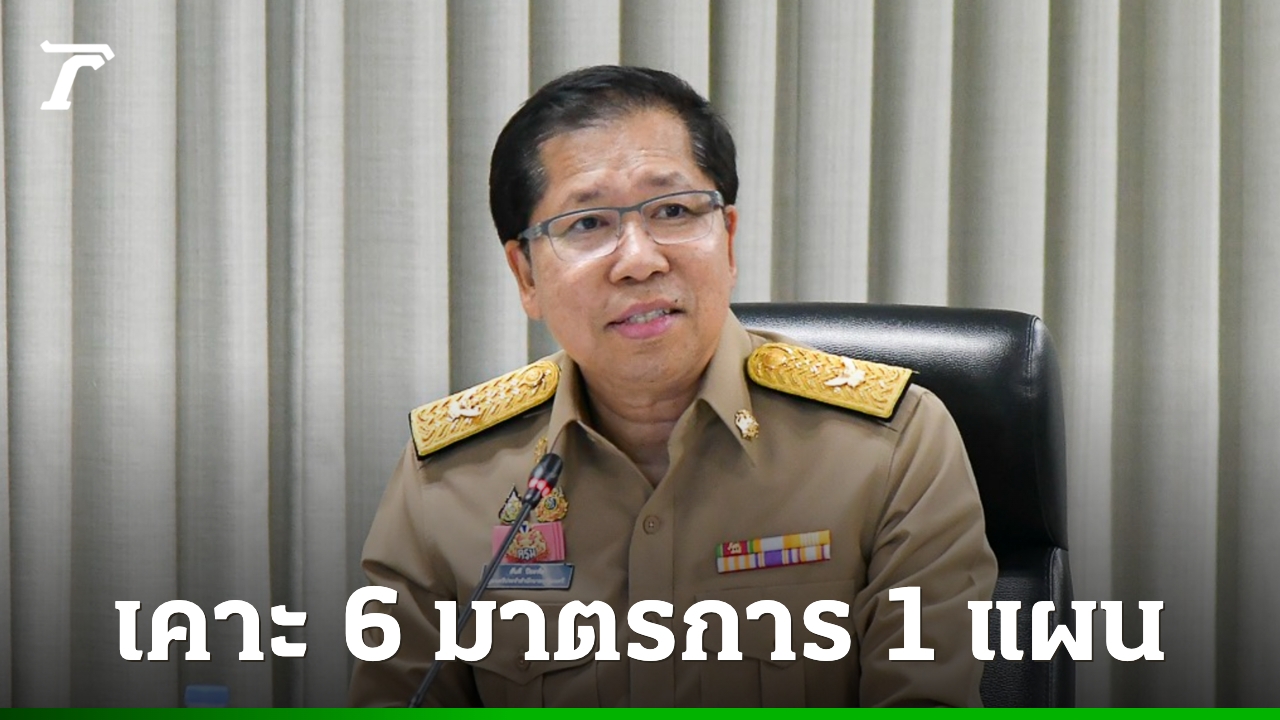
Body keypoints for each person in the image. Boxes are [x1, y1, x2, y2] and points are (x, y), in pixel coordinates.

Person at [349, 65, 996, 707]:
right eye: (587, 224)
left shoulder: (890, 446)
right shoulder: (450, 477)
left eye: (674, 211)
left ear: (728, 240)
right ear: (526, 276)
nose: (639, 259)